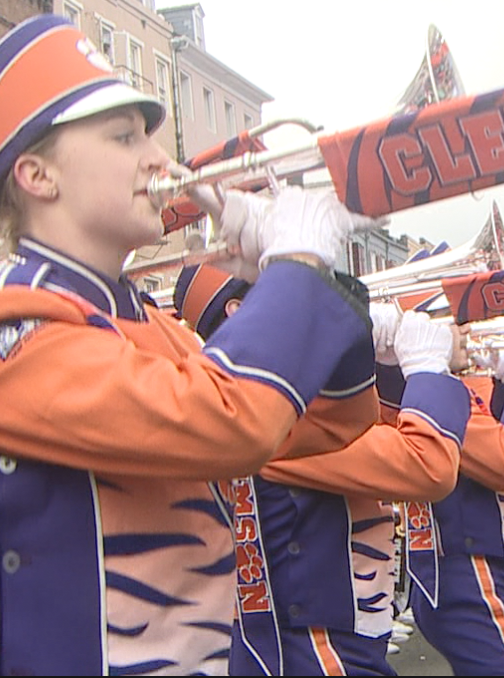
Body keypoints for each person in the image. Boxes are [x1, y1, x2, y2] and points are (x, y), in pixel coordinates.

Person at [0, 14, 377, 675]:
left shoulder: (143, 323)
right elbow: (226, 422)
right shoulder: (6, 334)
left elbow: (321, 427)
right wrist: (294, 267)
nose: (161, 161)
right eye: (125, 137)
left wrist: (317, 291)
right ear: (38, 176)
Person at [174, 266, 470, 675]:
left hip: (318, 640)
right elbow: (426, 466)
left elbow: (376, 421)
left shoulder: (270, 403)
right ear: (241, 310)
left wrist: (376, 359)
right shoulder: (280, 416)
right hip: (316, 649)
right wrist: (425, 365)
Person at [404, 344, 504, 676]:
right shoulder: (438, 393)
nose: (469, 337)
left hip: (483, 561)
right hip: (469, 567)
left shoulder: (442, 389)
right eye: (460, 328)